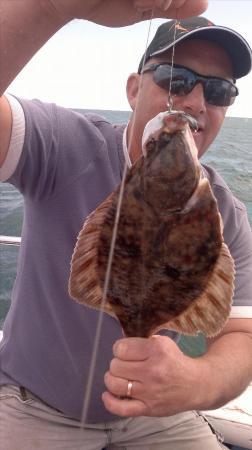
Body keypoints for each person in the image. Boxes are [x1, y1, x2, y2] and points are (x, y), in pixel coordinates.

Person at [0, 1, 252, 449]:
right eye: (178, 81)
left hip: (159, 416)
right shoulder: (64, 143)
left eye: (219, 92)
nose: (195, 101)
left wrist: (195, 381)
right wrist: (44, 7)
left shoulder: (226, 211)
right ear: (134, 90)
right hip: (34, 403)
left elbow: (243, 334)